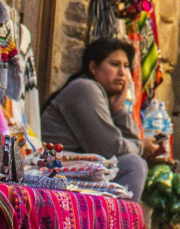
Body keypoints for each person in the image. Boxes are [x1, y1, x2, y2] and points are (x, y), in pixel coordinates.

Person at [41, 38, 157, 199]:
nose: (122, 72)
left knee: (135, 162)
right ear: (93, 67)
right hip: (53, 169)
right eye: (115, 64)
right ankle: (117, 223)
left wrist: (118, 110)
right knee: (133, 165)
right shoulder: (85, 89)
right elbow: (111, 149)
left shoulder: (100, 94)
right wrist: (142, 147)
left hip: (76, 168)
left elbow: (129, 143)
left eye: (126, 66)